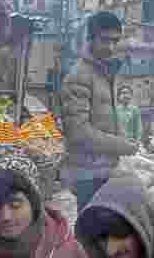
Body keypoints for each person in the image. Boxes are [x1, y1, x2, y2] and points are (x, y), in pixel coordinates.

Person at [58, 11, 140, 217]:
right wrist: (122, 145)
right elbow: (78, 132)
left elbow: (104, 120)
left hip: (106, 170)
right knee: (91, 233)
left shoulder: (105, 72)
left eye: (115, 41)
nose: (111, 47)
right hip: (87, 174)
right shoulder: (79, 77)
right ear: (91, 39)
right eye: (105, 40)